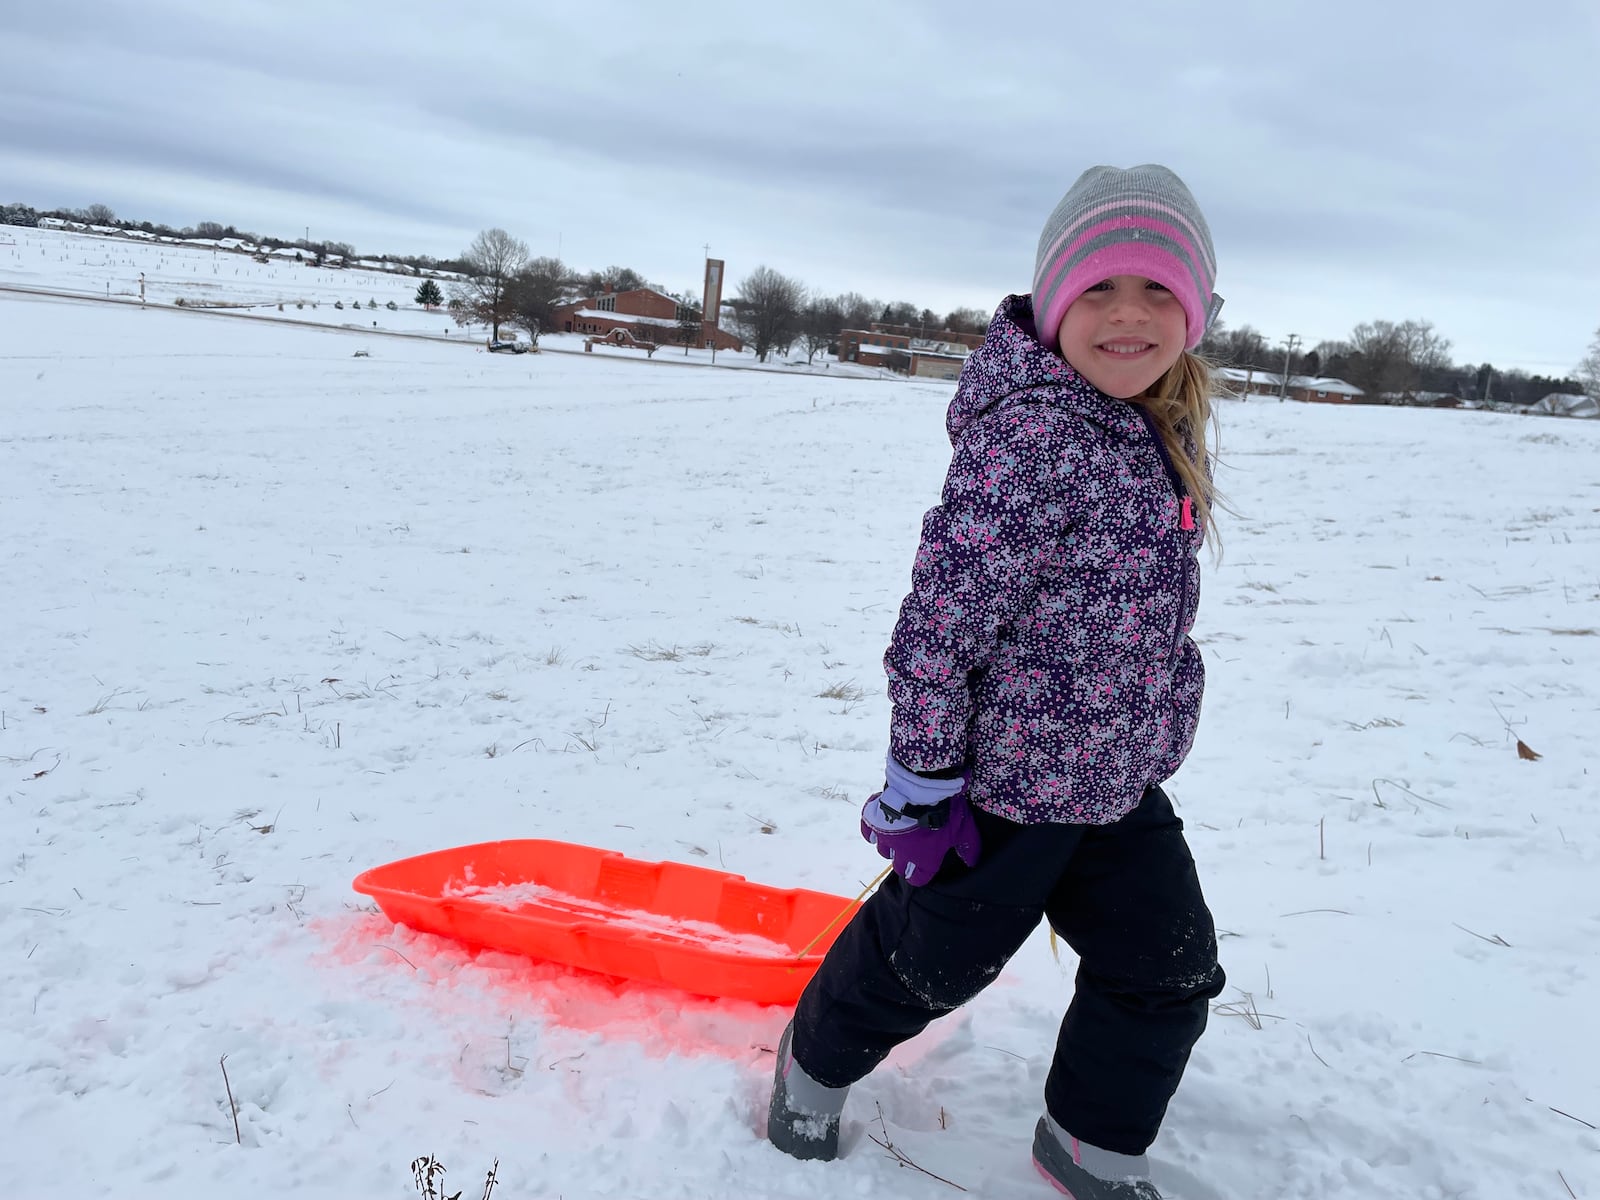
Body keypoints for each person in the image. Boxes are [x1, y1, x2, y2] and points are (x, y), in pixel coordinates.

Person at [767, 164, 1228, 1199]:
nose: (1127, 315)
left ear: (1195, 311)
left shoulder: (1159, 424)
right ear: (1055, 299)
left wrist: (1164, 714)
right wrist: (922, 777)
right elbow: (941, 623)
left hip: (1116, 779)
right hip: (1003, 791)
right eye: (1100, 288)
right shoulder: (1030, 437)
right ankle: (811, 1065)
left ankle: (1090, 1143)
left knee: (1168, 969)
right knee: (925, 967)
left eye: (1158, 290)